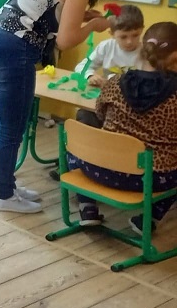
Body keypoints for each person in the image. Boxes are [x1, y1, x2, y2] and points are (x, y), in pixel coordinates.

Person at [0, 0, 127, 214]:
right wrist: (95, 25)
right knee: (11, 130)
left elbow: (44, 11)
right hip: (11, 51)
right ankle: (3, 195)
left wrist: (83, 15)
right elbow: (66, 40)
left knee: (8, 126)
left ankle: (7, 186)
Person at [69, 22, 177, 233]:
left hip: (99, 169)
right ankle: (149, 219)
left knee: (75, 146)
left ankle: (87, 208)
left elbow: (100, 114)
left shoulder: (115, 83)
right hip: (152, 180)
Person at [73, 4, 144, 128]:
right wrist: (90, 75)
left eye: (135, 35)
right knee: (85, 115)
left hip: (132, 106)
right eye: (123, 37)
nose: (129, 41)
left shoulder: (146, 52)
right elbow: (82, 67)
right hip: (106, 101)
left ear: (142, 30)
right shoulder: (106, 47)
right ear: (112, 33)